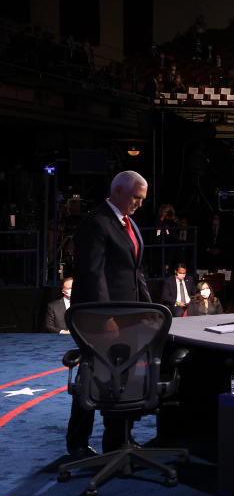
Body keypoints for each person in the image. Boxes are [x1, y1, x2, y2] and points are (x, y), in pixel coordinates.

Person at [68, 170, 151, 457]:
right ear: (117, 191)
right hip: (100, 320)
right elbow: (93, 275)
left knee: (121, 380)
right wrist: (106, 318)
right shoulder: (96, 223)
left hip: (129, 318)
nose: (139, 203)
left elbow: (134, 272)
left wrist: (149, 308)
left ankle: (118, 441)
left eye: (142, 199)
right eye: (135, 198)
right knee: (92, 378)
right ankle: (77, 443)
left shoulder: (129, 224)